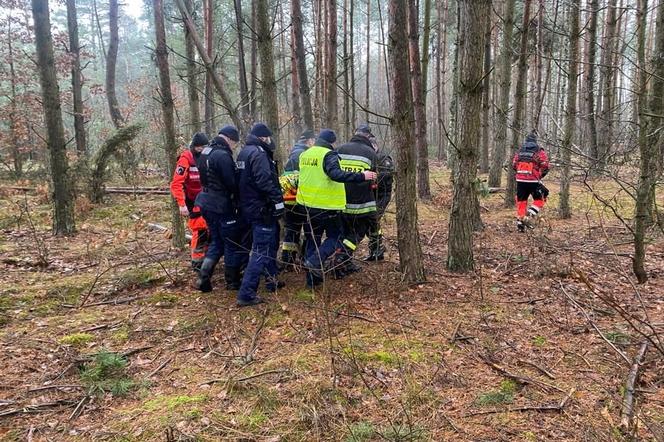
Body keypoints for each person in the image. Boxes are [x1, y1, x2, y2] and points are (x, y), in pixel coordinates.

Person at [296, 129, 377, 288]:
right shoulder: (328, 154)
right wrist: (362, 176)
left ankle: (312, 282)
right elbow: (336, 174)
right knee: (336, 237)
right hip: (326, 206)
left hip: (306, 206)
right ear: (332, 142)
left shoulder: (305, 154)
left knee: (313, 239)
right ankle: (314, 262)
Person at [194, 126, 249, 292]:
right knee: (231, 242)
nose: (234, 147)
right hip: (221, 205)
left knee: (217, 240)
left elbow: (204, 178)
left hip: (205, 202)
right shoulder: (223, 155)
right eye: (234, 143)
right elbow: (231, 183)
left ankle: (204, 276)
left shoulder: (206, 152)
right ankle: (232, 282)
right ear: (230, 139)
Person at [236, 123, 285, 307]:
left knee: (271, 240)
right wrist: (277, 200)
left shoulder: (244, 152)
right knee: (261, 249)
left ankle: (272, 279)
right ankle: (246, 293)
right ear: (264, 137)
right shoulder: (258, 153)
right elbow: (264, 180)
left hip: (249, 207)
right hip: (261, 208)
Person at [336, 124, 379, 274]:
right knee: (358, 232)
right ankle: (341, 258)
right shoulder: (371, 153)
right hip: (362, 203)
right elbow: (374, 180)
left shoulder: (340, 149)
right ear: (368, 136)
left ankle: (345, 263)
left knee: (344, 233)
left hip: (340, 202)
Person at [170, 132, 209, 272]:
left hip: (206, 199)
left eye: (203, 147)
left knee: (209, 229)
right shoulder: (185, 159)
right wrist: (182, 204)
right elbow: (176, 184)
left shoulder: (206, 156)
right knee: (199, 229)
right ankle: (197, 262)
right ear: (194, 146)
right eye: (199, 147)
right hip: (192, 201)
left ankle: (207, 259)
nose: (201, 150)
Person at [281, 129, 316, 268]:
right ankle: (306, 259)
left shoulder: (293, 153)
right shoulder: (304, 155)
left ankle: (287, 260)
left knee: (291, 230)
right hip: (300, 199)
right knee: (308, 230)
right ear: (309, 141)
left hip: (289, 200)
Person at [512, 131, 550, 232]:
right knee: (543, 196)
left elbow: (514, 165)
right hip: (533, 180)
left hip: (520, 180)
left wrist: (520, 173)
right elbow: (545, 165)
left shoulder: (519, 151)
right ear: (535, 141)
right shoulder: (539, 151)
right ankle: (530, 214)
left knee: (521, 201)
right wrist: (540, 175)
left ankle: (520, 224)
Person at [365, 135, 394, 261]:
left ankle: (377, 248)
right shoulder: (368, 158)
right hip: (370, 194)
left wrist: (374, 177)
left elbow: (387, 174)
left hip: (382, 195)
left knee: (373, 219)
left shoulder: (383, 158)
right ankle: (376, 249)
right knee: (370, 222)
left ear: (375, 146)